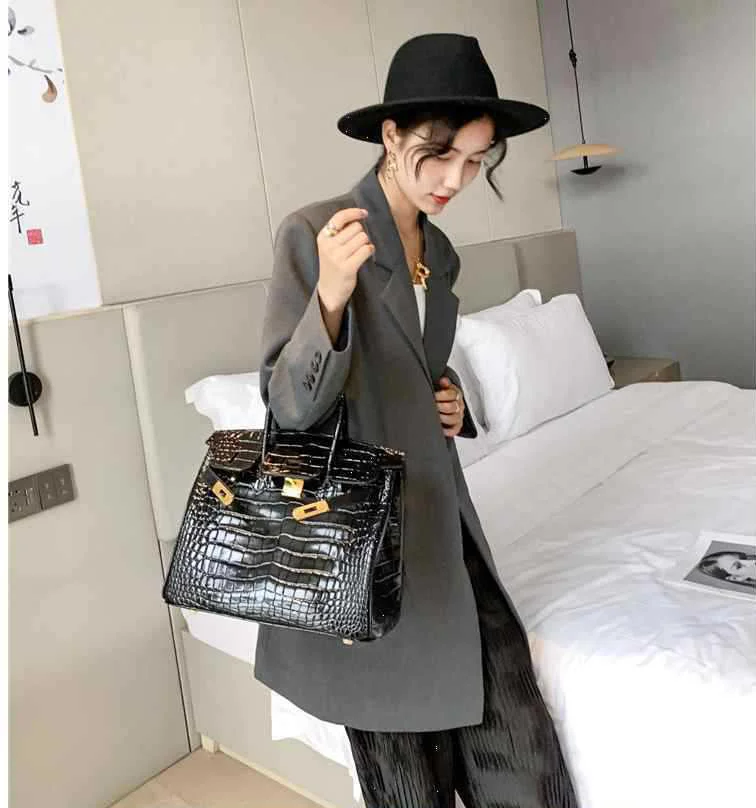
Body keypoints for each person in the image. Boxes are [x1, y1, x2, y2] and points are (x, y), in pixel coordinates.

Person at [256, 33, 578, 808]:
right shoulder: (317, 232)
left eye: (475, 160)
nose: (455, 179)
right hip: (366, 544)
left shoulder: (440, 249)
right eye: (439, 155)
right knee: (408, 782)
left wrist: (452, 398)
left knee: (523, 761)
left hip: (445, 525)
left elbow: (411, 358)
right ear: (391, 134)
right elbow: (288, 404)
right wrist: (330, 296)